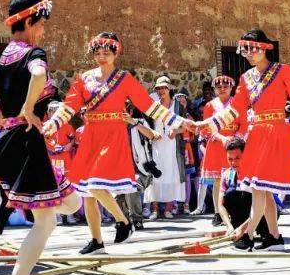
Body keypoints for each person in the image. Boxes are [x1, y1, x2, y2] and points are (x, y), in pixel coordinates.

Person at [0, 0, 83, 275]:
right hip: (28, 140)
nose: (43, 30)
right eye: (41, 24)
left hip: (18, 139)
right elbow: (39, 74)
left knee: (72, 203)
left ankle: (15, 201)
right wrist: (29, 107)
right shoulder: (32, 53)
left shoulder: (5, 56)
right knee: (47, 222)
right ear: (29, 22)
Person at [48, 33, 191, 254]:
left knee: (95, 185)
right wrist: (53, 123)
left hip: (113, 134)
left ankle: (123, 221)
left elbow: (148, 105)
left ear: (115, 54)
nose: (101, 57)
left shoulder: (123, 78)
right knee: (87, 194)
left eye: (106, 53)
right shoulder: (84, 78)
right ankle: (96, 241)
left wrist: (178, 121)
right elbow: (69, 106)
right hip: (91, 134)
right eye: (97, 53)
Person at [206, 29, 290, 252]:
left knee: (259, 187)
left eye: (254, 49)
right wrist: (208, 124)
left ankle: (248, 236)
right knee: (264, 189)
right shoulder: (246, 77)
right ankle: (274, 237)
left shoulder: (283, 71)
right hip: (256, 134)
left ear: (265, 48)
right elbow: (235, 109)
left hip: (276, 132)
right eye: (246, 50)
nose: (250, 54)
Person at [195, 75, 239, 224]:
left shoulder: (236, 103)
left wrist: (236, 139)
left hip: (234, 145)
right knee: (218, 181)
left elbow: (243, 124)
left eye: (225, 87)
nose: (222, 89)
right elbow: (207, 128)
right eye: (219, 87)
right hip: (216, 145)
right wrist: (222, 138)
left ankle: (235, 211)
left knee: (236, 178)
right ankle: (218, 212)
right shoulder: (210, 106)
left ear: (231, 87)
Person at [144, 76, 186, 219]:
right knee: (155, 175)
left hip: (173, 146)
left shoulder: (178, 107)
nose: (161, 91)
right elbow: (147, 125)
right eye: (158, 88)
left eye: (163, 88)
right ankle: (155, 210)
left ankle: (168, 209)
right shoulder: (154, 107)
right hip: (156, 144)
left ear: (169, 89)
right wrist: (152, 133)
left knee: (171, 174)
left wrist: (176, 131)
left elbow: (186, 126)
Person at [216, 137, 270, 238]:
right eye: (230, 159)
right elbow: (220, 205)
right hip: (241, 215)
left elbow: (264, 205)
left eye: (237, 158)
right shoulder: (227, 175)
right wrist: (229, 226)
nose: (233, 163)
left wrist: (243, 228)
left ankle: (260, 232)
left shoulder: (256, 172)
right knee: (230, 195)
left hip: (261, 213)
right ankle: (237, 228)